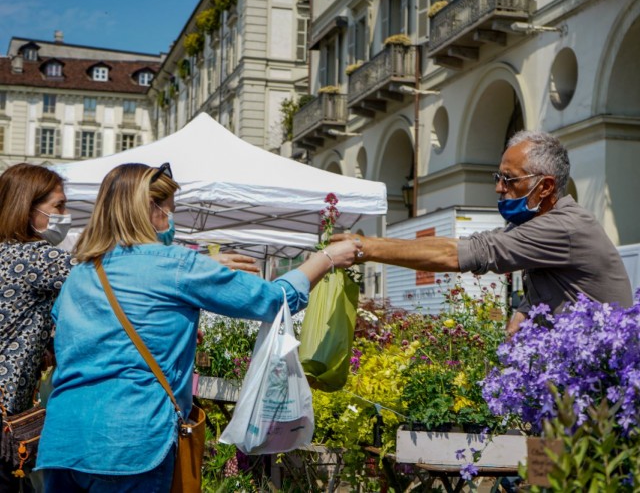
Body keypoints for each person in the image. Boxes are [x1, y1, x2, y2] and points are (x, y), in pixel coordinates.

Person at [35, 162, 361, 492]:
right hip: (130, 440)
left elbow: (80, 342)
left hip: (63, 440)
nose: (172, 221)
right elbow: (274, 300)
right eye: (171, 210)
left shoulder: (80, 274)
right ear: (151, 208)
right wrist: (328, 258)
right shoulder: (175, 263)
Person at [333, 130, 633, 336]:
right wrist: (524, 313)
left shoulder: (563, 227)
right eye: (498, 177)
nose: (499, 188)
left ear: (545, 187)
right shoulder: (542, 226)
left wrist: (364, 247)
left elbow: (460, 253)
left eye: (509, 179)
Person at [0, 164, 76, 492]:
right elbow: (106, 277)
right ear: (28, 208)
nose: (66, 214)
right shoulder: (37, 257)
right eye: (58, 206)